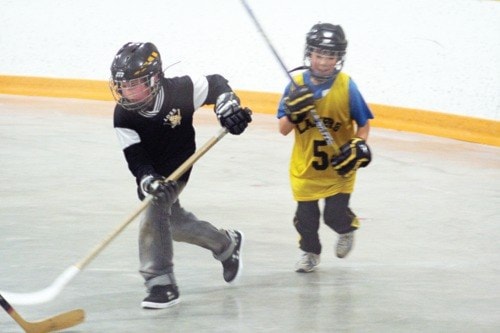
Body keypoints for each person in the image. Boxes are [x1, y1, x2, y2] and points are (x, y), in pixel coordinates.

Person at [109, 42, 252, 308]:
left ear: (154, 79)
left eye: (134, 84)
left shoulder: (179, 91)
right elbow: (135, 157)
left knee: (154, 214)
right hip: (151, 174)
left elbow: (216, 84)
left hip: (180, 165)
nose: (127, 92)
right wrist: (148, 180)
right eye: (123, 86)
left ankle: (160, 282)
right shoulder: (123, 115)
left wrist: (227, 106)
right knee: (171, 224)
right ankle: (225, 243)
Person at [276, 23, 373, 273]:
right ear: (309, 54)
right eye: (319, 55)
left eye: (330, 56)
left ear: (339, 58)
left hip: (339, 169)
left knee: (333, 216)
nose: (323, 62)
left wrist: (358, 145)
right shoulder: (295, 86)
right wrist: (295, 112)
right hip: (305, 169)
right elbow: (283, 129)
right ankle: (310, 252)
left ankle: (347, 228)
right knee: (306, 221)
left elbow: (364, 124)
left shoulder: (347, 86)